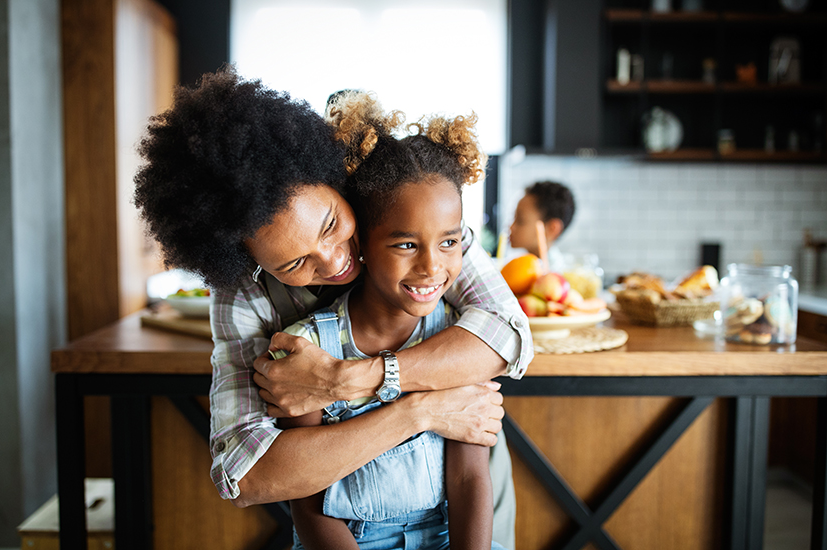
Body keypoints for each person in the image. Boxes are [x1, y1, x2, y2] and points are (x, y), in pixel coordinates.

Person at [133, 66, 532, 548]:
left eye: (330, 225)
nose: (335, 259)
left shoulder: (413, 228)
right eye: (296, 261)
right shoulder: (245, 297)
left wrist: (344, 381)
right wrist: (420, 411)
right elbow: (249, 473)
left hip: (462, 507)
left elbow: (507, 335)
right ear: (248, 262)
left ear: (338, 183)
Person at [275, 91, 501, 548]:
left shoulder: (457, 342)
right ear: (361, 243)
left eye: (449, 242)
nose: (432, 268)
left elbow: (468, 479)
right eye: (405, 245)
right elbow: (308, 501)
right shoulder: (306, 351)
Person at [508, 180, 575, 272]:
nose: (511, 227)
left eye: (520, 220)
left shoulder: (554, 276)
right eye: (514, 218)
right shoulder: (516, 267)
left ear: (552, 229)